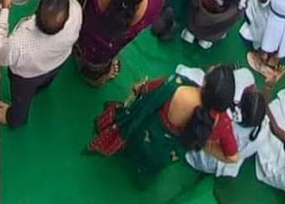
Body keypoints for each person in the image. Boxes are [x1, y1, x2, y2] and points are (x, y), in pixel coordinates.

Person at [89, 65, 237, 177]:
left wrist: (139, 87)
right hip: (162, 153)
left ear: (205, 83)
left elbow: (145, 89)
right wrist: (203, 143)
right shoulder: (222, 122)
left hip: (143, 133)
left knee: (135, 118)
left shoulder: (178, 86)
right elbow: (232, 157)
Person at [0, 0, 82, 128]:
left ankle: (15, 118)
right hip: (57, 62)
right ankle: (43, 87)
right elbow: (65, 1)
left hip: (26, 78)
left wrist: (5, 8)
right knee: (46, 79)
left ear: (37, 11)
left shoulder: (19, 43)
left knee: (21, 101)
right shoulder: (75, 12)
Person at [74, 0, 165, 84]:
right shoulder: (155, 1)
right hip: (104, 51)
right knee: (98, 63)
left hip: (82, 33)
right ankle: (95, 75)